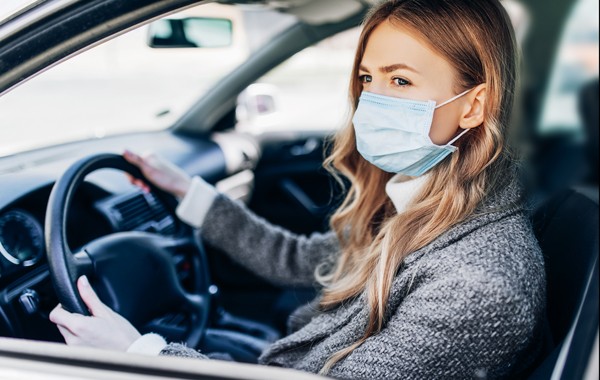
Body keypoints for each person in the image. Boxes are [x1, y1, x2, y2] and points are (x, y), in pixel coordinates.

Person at [49, 0, 546, 378]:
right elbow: (295, 259)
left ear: (474, 105)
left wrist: (140, 356)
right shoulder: (419, 201)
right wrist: (188, 192)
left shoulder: (479, 284)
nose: (370, 102)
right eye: (368, 78)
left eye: (400, 82)